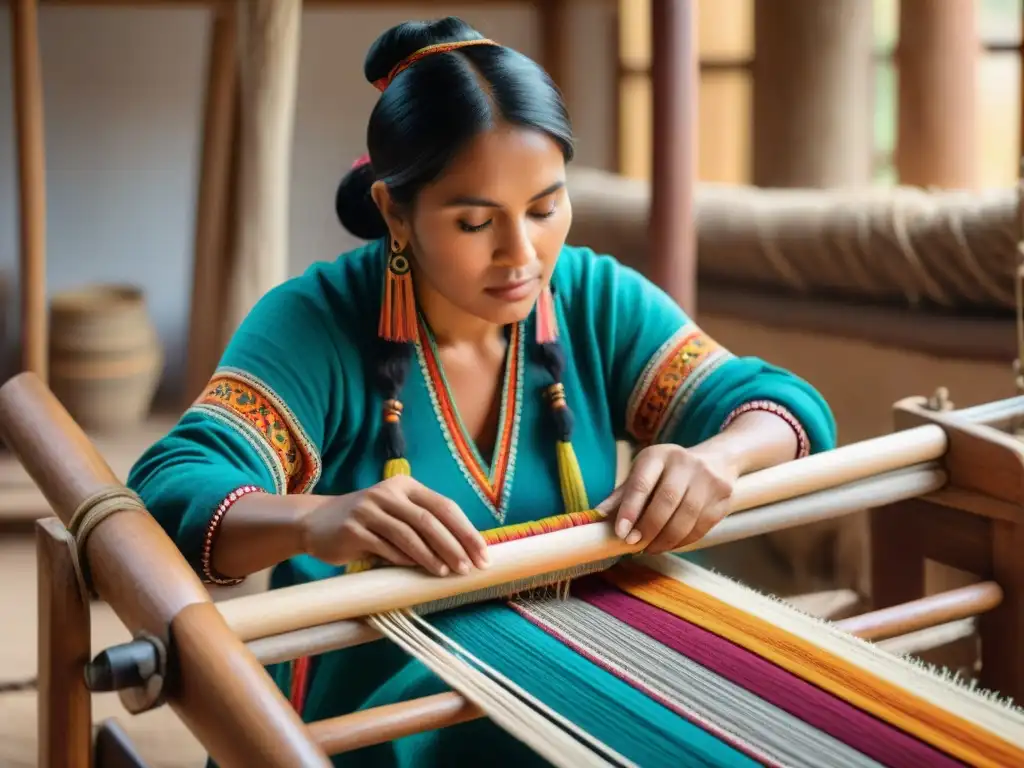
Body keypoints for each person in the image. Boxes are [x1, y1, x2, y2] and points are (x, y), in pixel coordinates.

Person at [128, 16, 836, 767]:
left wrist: (720, 457)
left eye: (545, 208)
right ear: (394, 213)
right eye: (475, 222)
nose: (522, 256)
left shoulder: (591, 300)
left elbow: (778, 404)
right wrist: (314, 518)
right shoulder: (317, 323)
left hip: (572, 669)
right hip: (364, 706)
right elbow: (172, 488)